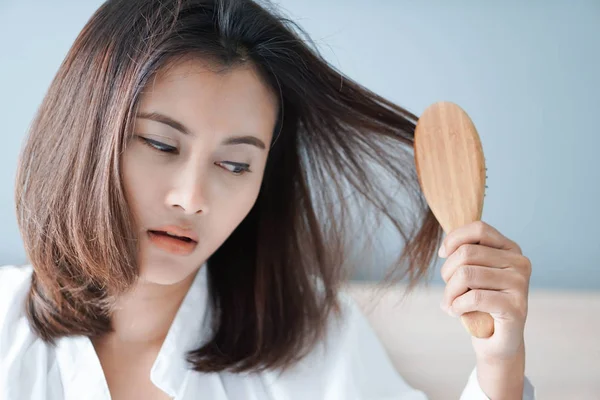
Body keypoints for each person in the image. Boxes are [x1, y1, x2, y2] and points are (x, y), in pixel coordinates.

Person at [0, 0, 536, 399]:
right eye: (161, 144)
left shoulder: (314, 338)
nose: (191, 198)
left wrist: (500, 361)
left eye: (235, 165)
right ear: (83, 134)